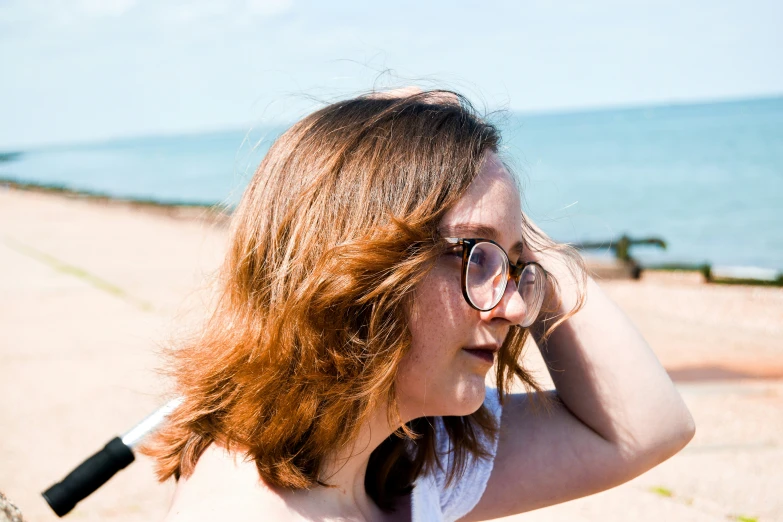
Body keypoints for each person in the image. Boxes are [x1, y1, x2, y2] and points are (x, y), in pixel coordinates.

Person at [142, 88, 695, 521]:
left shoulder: (402, 464)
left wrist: (488, 194)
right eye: (476, 258)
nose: (512, 307)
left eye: (515, 268)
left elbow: (649, 424)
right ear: (355, 264)